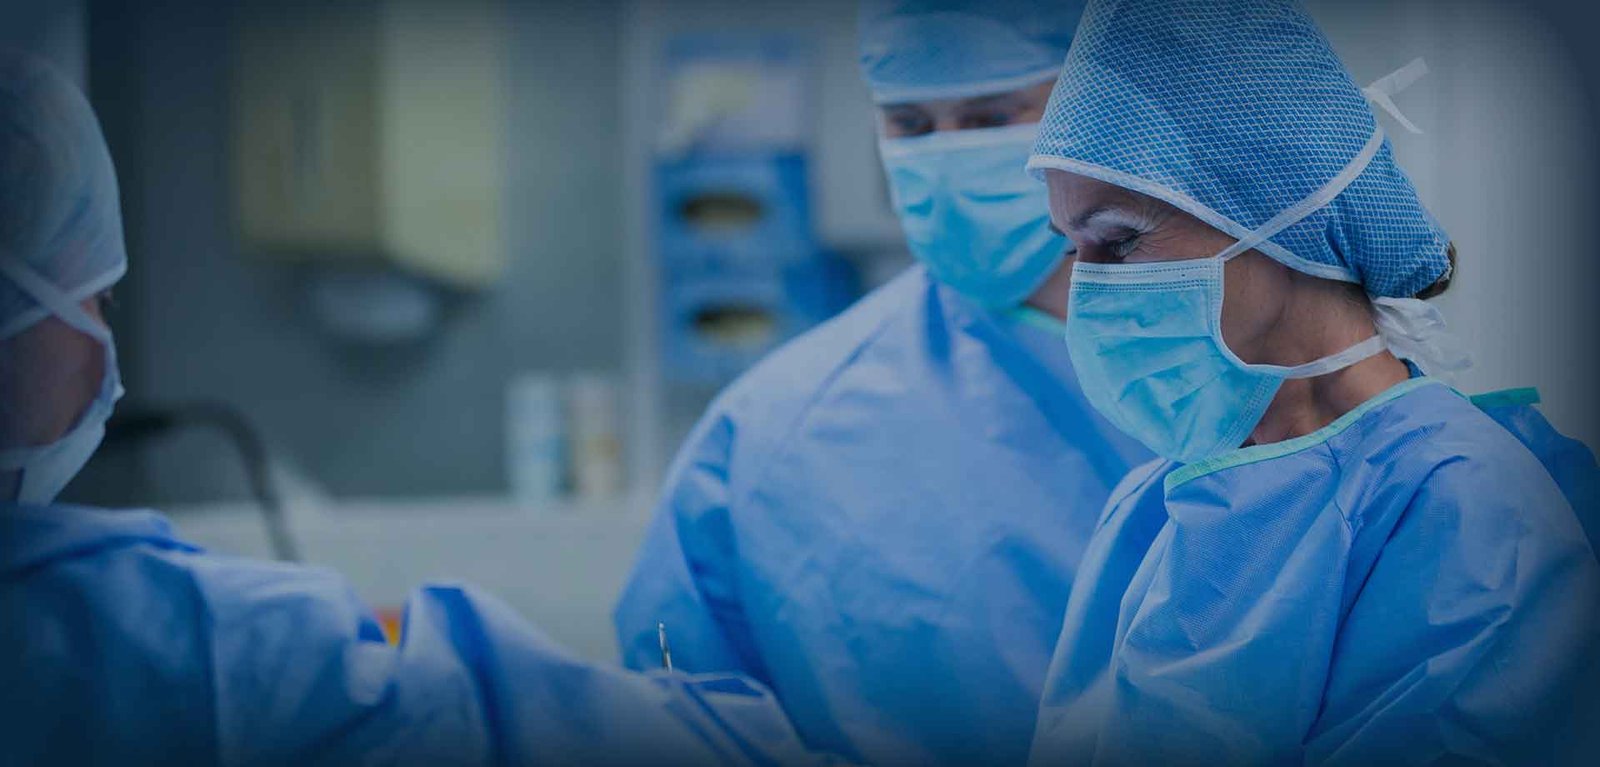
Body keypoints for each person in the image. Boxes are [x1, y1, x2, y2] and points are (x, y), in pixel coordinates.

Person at [0, 51, 843, 766]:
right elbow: (473, 718)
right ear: (21, 314)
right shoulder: (124, 633)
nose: (107, 346)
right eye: (98, 301)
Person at [1021, 0, 1600, 763]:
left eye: (1119, 240)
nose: (1085, 290)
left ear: (1279, 216)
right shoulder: (1156, 502)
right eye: (1072, 249)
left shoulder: (1471, 511)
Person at [613, 2, 1150, 764]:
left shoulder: (1246, 376)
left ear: (1104, 113)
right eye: (911, 125)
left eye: (991, 116)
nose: (947, 157)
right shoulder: (769, 434)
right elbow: (673, 713)